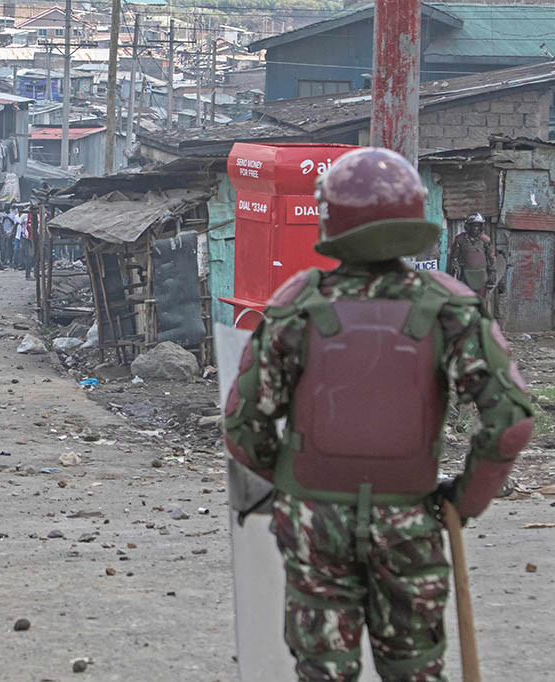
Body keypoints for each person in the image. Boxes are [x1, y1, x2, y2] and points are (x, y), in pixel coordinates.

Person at [223, 148, 533, 682]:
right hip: (411, 518)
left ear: (329, 220)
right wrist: (464, 499)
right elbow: (512, 421)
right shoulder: (449, 305)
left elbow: (242, 425)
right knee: (413, 668)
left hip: (315, 524)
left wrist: (293, 484)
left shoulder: (297, 303)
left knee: (323, 670)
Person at [447, 212, 496, 301]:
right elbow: (455, 257)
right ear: (468, 226)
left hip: (482, 275)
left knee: (481, 301)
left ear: (481, 227)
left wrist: (492, 275)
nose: (475, 229)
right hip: (465, 275)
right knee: (466, 300)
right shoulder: (460, 240)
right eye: (473, 226)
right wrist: (454, 271)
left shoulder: (485, 240)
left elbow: (491, 259)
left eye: (478, 226)